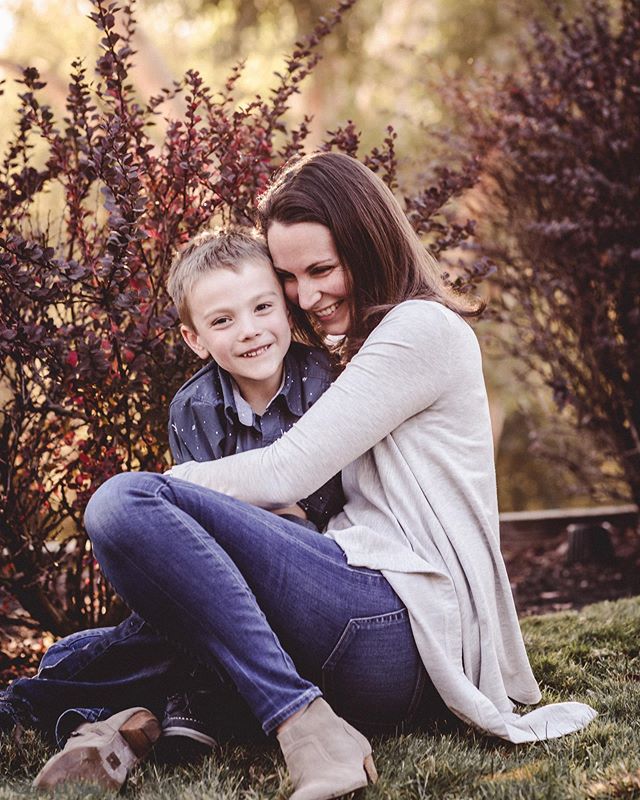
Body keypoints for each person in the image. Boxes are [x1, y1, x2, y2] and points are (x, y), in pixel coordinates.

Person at [56, 152, 596, 798]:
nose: (306, 296)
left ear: (367, 244)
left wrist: (171, 493)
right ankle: (109, 719)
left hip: (398, 624)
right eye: (289, 277)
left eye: (321, 269)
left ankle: (305, 725)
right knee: (93, 644)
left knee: (123, 505)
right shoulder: (361, 346)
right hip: (362, 614)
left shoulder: (419, 330)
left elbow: (289, 468)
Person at [0, 228, 344, 777]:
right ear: (194, 339)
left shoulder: (327, 384)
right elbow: (191, 539)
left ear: (286, 305)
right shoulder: (194, 407)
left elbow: (322, 515)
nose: (250, 331)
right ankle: (160, 707)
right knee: (148, 619)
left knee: (92, 652)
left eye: (262, 307)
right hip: (222, 590)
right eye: (223, 320)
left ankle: (45, 705)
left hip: (304, 589)